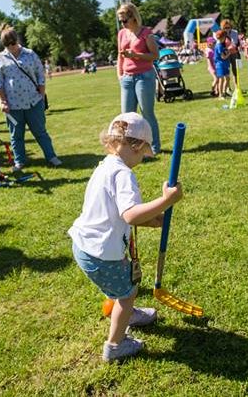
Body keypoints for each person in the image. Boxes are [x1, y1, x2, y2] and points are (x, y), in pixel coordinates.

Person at [67, 112, 183, 362]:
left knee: (121, 286)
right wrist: (166, 200)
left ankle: (126, 312)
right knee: (127, 294)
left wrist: (154, 221)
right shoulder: (123, 175)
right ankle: (115, 345)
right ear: (137, 145)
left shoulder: (105, 165)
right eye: (143, 154)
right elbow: (130, 215)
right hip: (101, 254)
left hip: (85, 246)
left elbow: (115, 214)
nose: (141, 159)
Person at [0, 24, 61, 171]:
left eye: (13, 43)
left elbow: (40, 76)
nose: (11, 47)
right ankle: (19, 161)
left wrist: (41, 97)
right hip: (13, 106)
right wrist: (3, 101)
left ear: (17, 40)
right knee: (16, 135)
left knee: (40, 132)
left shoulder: (30, 54)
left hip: (33, 102)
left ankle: (51, 156)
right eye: (7, 45)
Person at [116, 3, 161, 154]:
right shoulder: (122, 33)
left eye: (124, 20)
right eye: (120, 21)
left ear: (133, 18)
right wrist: (120, 75)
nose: (123, 24)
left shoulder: (146, 33)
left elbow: (155, 55)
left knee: (146, 113)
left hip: (144, 77)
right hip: (127, 78)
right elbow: (119, 56)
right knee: (126, 116)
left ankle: (153, 147)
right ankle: (129, 148)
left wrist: (135, 55)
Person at [212, 30, 233, 99]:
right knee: (221, 79)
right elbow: (223, 57)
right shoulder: (219, 46)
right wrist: (229, 52)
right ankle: (220, 94)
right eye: (224, 37)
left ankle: (224, 92)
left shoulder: (222, 45)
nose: (225, 39)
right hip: (220, 64)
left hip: (225, 64)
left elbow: (224, 53)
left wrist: (228, 50)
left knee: (227, 78)